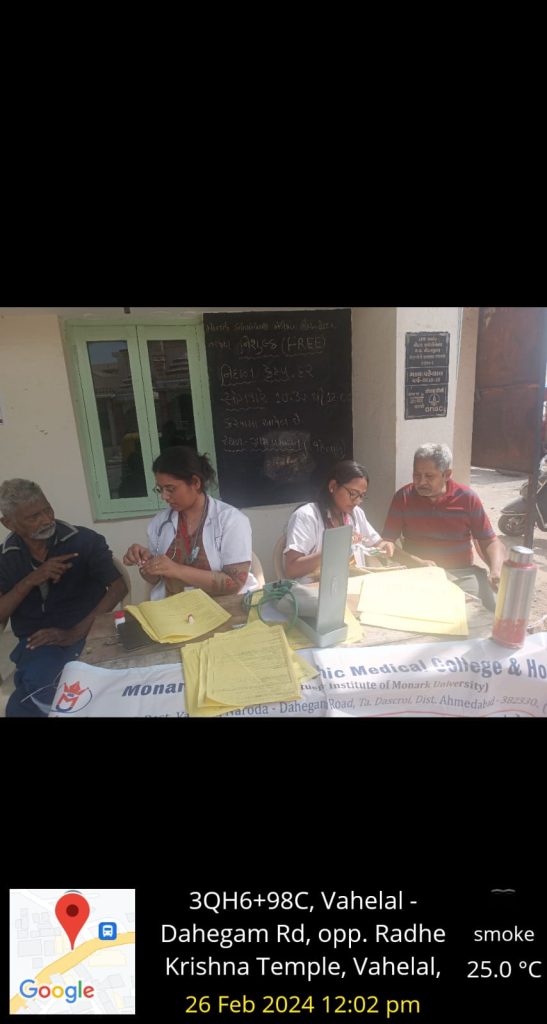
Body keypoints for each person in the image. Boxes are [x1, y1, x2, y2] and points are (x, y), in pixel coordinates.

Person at [0, 479, 127, 717]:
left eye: (47, 509)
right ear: (9, 523)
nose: (46, 520)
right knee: (46, 684)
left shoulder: (83, 540)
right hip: (39, 643)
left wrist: (76, 632)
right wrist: (30, 580)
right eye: (34, 516)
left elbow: (118, 587)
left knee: (99, 685)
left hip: (90, 632)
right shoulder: (5, 558)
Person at [381, 443, 506, 610]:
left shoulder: (467, 498)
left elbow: (490, 540)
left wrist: (496, 570)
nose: (421, 482)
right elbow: (387, 541)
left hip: (462, 574)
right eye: (417, 475)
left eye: (429, 476)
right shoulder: (403, 497)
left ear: (447, 474)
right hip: (417, 573)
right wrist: (415, 562)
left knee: (487, 613)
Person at [123, 447, 258, 598]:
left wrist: (177, 570)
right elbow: (155, 580)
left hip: (222, 606)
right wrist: (145, 562)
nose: (164, 496)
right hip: (173, 607)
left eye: (170, 489)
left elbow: (234, 583)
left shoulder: (231, 520)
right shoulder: (160, 523)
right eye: (160, 489)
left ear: (195, 482)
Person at [283, 460, 394, 583]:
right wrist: (335, 549)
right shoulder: (307, 516)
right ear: (333, 486)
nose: (357, 501)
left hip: (352, 583)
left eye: (361, 496)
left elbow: (377, 543)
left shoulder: (356, 513)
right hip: (315, 588)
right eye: (353, 493)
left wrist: (385, 546)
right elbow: (292, 569)